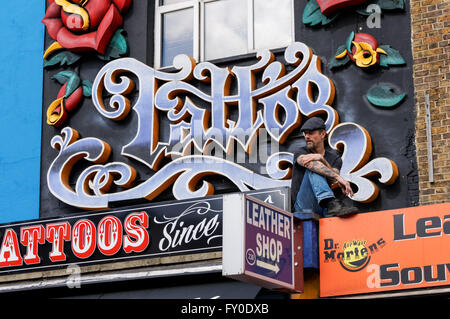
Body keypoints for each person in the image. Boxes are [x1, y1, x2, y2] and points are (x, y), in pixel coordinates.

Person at [291, 117, 359, 217]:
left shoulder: (335, 158)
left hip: (322, 208)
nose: (307, 136)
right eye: (305, 133)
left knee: (318, 165)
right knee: (313, 166)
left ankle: (331, 205)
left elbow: (332, 179)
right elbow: (308, 163)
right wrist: (338, 177)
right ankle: (332, 204)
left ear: (322, 134)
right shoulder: (301, 152)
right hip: (302, 206)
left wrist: (322, 159)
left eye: (310, 133)